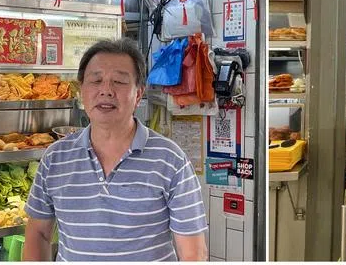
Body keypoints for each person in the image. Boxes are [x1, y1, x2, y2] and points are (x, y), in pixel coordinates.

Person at [24, 38, 208, 261]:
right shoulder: (55, 158)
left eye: (119, 82)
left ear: (138, 94)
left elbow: (192, 252)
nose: (106, 91)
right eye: (96, 80)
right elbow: (39, 234)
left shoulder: (170, 160)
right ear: (81, 89)